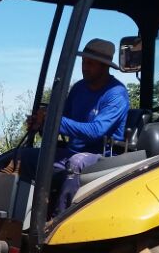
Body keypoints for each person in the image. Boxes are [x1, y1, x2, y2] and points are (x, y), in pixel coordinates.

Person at [28, 38, 130, 215]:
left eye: (91, 63)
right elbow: (63, 120)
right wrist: (41, 123)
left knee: (76, 163)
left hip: (103, 158)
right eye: (83, 62)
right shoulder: (79, 88)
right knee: (24, 157)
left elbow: (96, 131)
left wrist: (53, 119)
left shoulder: (116, 94)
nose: (85, 67)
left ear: (104, 66)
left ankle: (59, 221)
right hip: (71, 152)